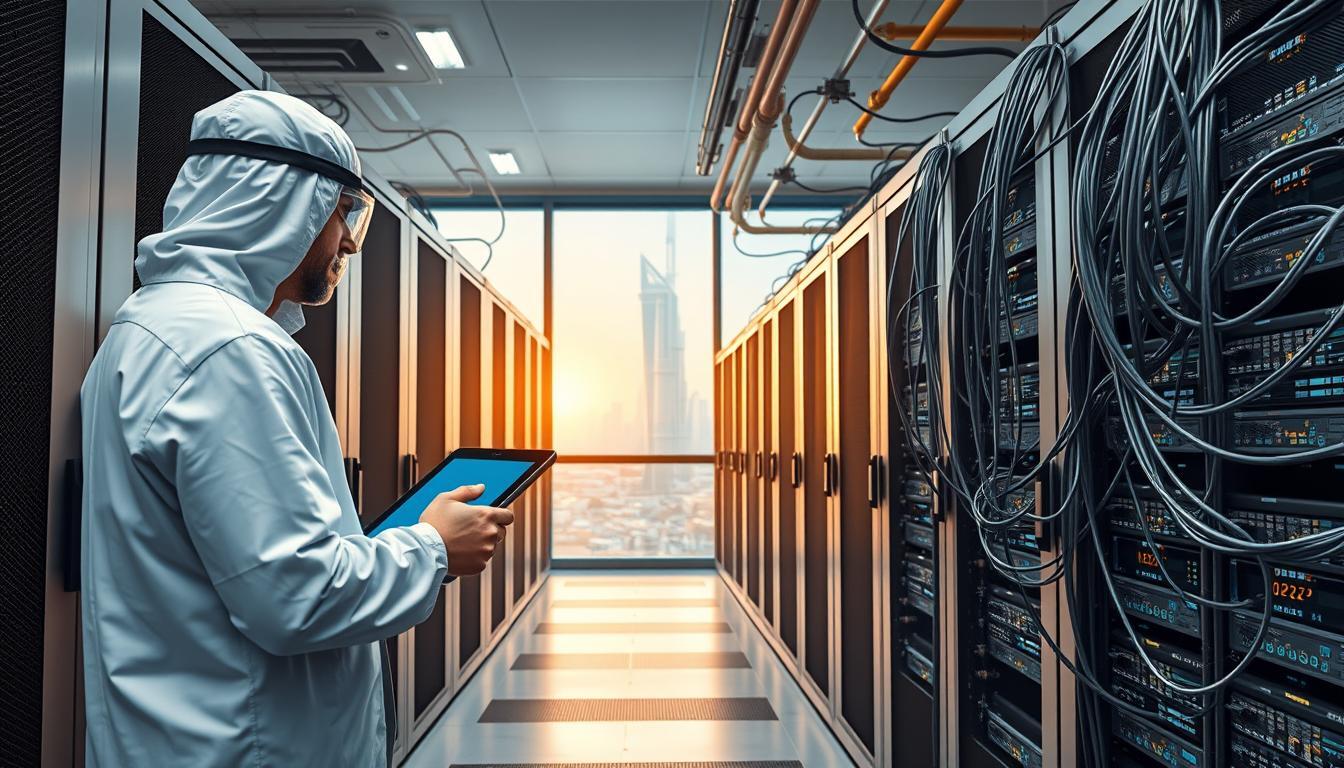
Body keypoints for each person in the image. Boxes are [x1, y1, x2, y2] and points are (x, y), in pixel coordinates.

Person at [79, 90, 512, 767]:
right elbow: (296, 594)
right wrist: (432, 548)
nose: (350, 241)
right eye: (342, 212)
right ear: (280, 201)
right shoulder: (232, 351)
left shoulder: (151, 324)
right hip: (247, 745)